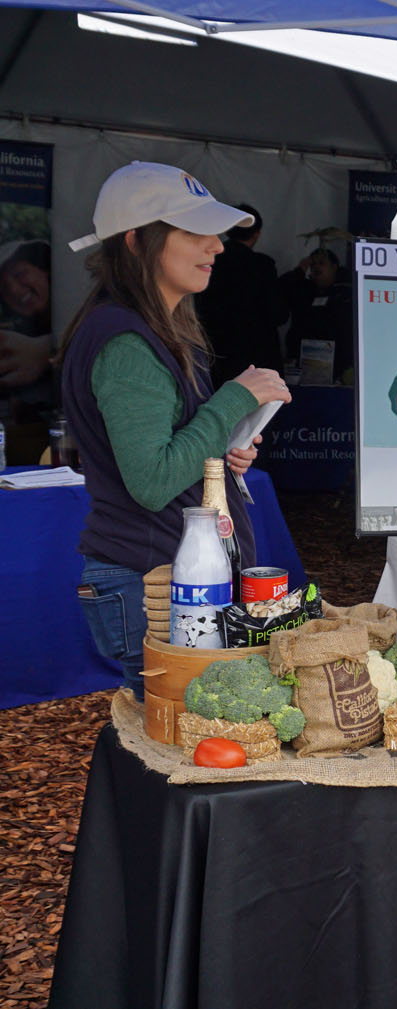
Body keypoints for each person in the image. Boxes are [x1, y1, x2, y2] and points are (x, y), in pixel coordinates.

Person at [59, 162, 291, 697]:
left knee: (185, 746)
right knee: (176, 751)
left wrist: (225, 451)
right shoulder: (126, 343)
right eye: (195, 232)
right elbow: (153, 479)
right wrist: (235, 398)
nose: (217, 246)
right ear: (137, 241)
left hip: (171, 581)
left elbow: (172, 448)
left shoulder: (156, 329)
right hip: (151, 586)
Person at [196, 203, 289, 386]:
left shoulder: (209, 262)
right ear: (257, 234)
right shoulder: (262, 266)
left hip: (216, 355)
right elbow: (277, 313)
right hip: (257, 359)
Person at [0, 239, 57, 462]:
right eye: (3, 289)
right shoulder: (18, 335)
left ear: (45, 271)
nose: (14, 289)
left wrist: (46, 351)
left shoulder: (91, 309)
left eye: (20, 273)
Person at [280, 246, 354, 383]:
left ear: (334, 267)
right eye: (312, 264)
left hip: (338, 369)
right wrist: (299, 270)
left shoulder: (348, 292)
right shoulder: (304, 290)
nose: (316, 267)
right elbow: (279, 291)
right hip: (303, 366)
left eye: (321, 263)